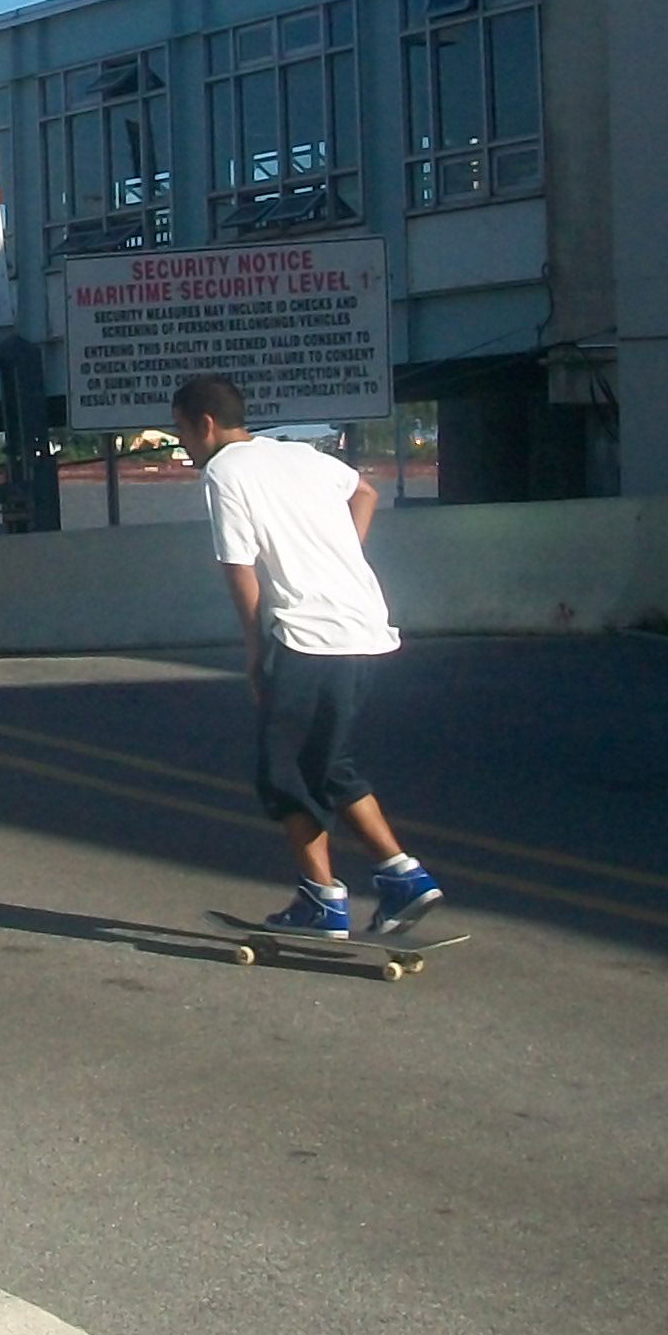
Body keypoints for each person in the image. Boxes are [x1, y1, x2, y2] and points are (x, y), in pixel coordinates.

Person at [170, 374, 443, 945]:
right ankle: (402, 877)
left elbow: (239, 569)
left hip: (305, 637)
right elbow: (364, 493)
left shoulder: (223, 472)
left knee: (283, 772)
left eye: (181, 431)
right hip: (363, 626)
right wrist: (338, 556)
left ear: (205, 424)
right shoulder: (298, 455)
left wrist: (253, 653)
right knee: (327, 762)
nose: (184, 445)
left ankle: (323, 900)